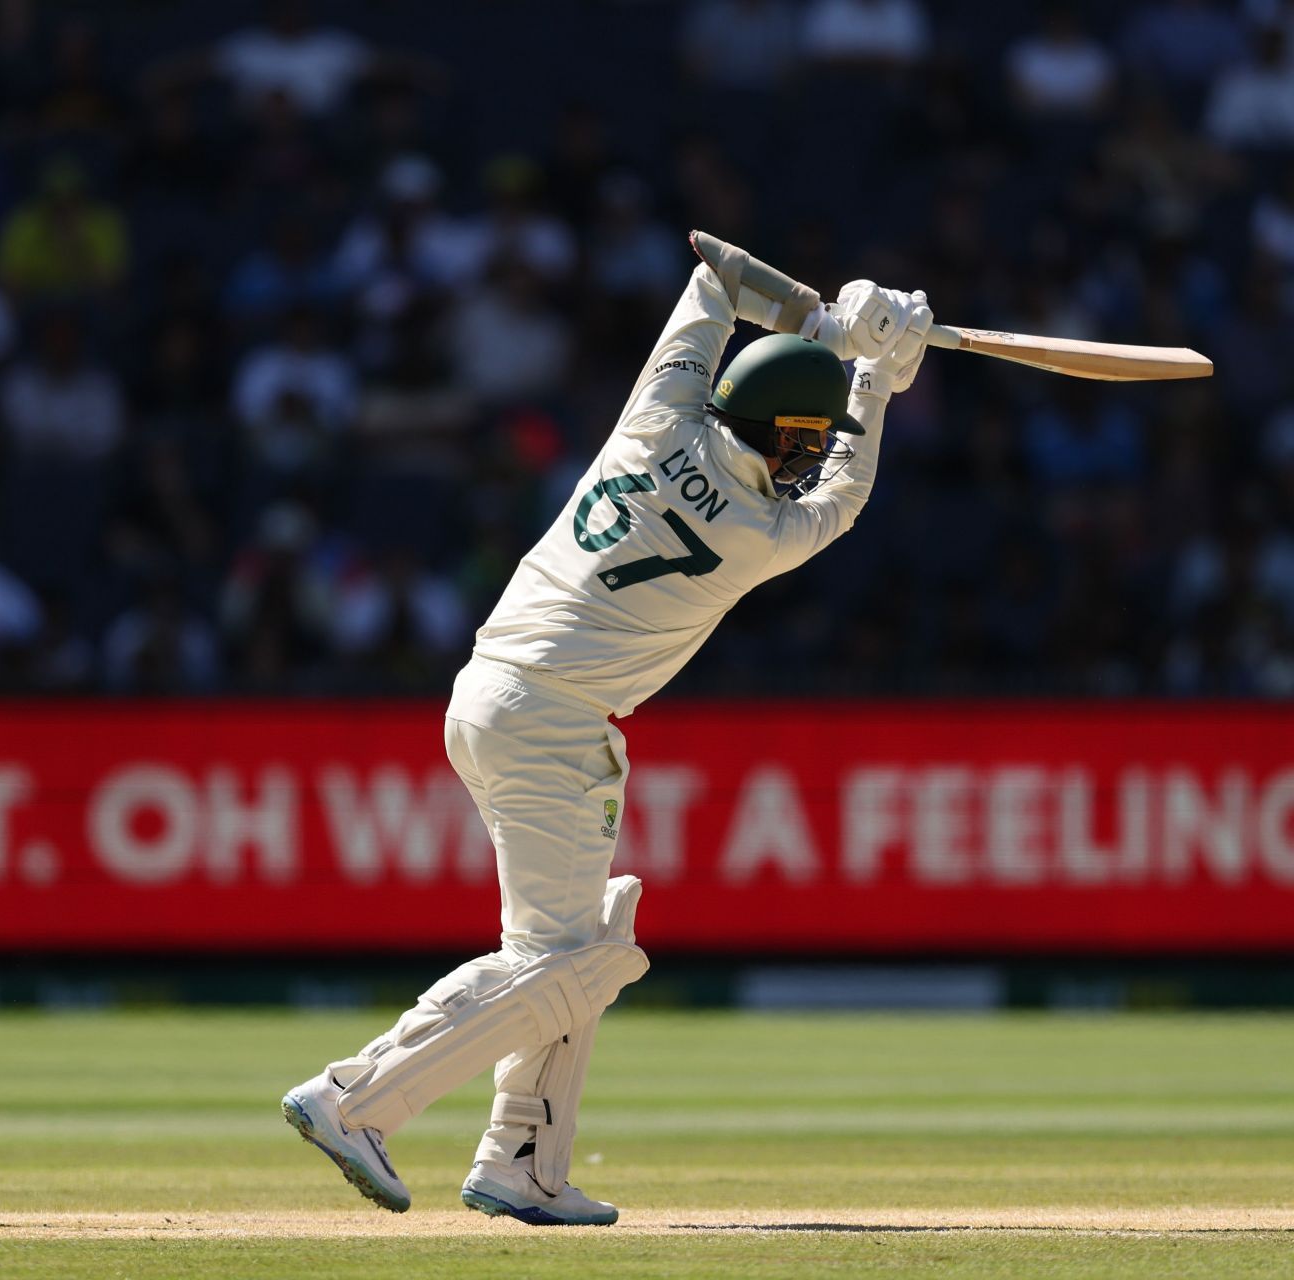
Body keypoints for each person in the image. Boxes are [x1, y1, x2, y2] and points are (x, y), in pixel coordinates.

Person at [282, 257, 932, 1224]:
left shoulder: (658, 417)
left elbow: (717, 276)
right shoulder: (756, 529)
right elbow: (841, 498)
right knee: (578, 965)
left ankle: (525, 1162)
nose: (810, 451)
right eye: (806, 435)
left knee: (580, 939)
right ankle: (356, 1098)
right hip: (551, 726)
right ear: (782, 433)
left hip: (486, 690)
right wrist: (873, 377)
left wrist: (829, 329)